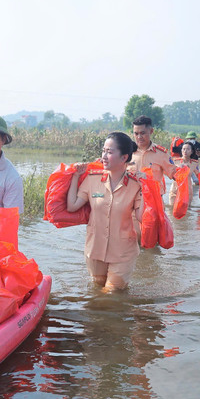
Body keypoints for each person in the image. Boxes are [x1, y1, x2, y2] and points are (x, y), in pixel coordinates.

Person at [67, 132, 143, 290]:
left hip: (123, 252)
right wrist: (75, 177)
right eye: (103, 151)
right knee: (97, 289)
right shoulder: (92, 179)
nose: (104, 156)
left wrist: (147, 189)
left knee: (112, 293)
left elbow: (142, 217)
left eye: (110, 152)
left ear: (124, 158)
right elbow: (72, 206)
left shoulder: (136, 185)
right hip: (95, 249)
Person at [130, 115, 176, 195]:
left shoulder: (161, 154)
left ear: (151, 131)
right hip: (132, 200)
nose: (139, 137)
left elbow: (175, 174)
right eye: (136, 133)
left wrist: (183, 170)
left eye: (142, 133)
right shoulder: (127, 152)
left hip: (154, 200)